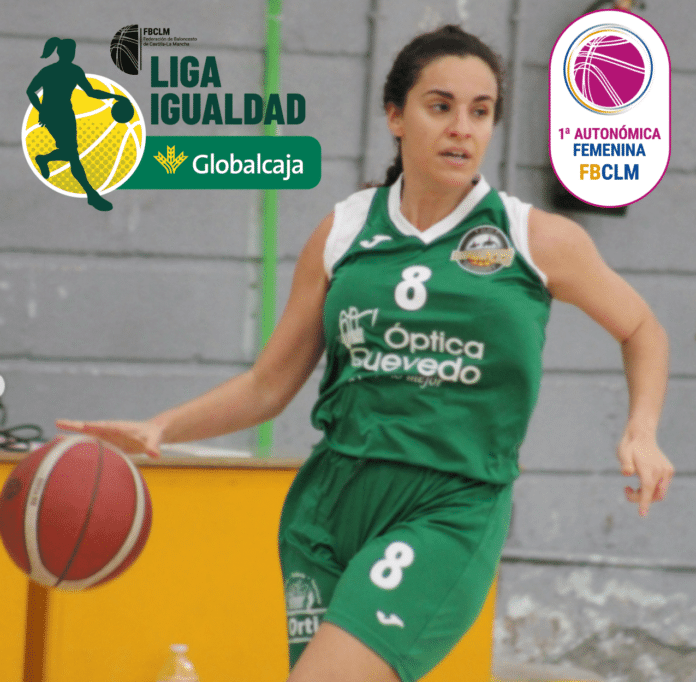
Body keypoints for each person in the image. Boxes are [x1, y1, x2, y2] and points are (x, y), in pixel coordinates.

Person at [57, 24, 674, 682]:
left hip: (448, 508)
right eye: (440, 106)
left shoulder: (535, 238)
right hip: (329, 507)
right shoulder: (345, 229)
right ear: (396, 116)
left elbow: (643, 329)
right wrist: (162, 427)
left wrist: (641, 429)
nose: (461, 128)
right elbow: (269, 385)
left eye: (480, 111)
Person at [26, 37, 130, 212]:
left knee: (69, 152)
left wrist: (114, 96)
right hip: (52, 116)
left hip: (67, 115)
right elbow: (30, 91)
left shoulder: (75, 71)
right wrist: (42, 110)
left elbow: (91, 92)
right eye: (69, 51)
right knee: (73, 155)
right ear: (61, 52)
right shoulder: (48, 71)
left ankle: (44, 159)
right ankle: (91, 194)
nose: (71, 54)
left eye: (72, 51)